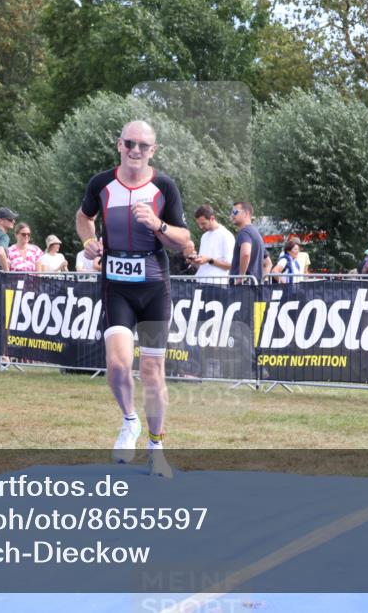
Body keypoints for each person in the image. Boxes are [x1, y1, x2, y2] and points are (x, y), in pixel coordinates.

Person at [76, 120, 190, 478]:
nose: (136, 150)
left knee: (154, 372)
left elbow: (184, 240)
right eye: (130, 143)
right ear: (119, 145)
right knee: (118, 364)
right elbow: (83, 218)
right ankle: (129, 420)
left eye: (143, 145)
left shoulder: (164, 186)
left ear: (153, 150)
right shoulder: (101, 183)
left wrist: (158, 225)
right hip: (116, 286)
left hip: (155, 287)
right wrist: (88, 241)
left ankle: (157, 446)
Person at [189, 204, 234, 284]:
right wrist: (195, 260)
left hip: (217, 284)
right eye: (199, 224)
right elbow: (203, 262)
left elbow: (230, 265)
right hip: (199, 281)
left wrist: (209, 260)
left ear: (212, 218)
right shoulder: (204, 236)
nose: (200, 227)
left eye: (203, 223)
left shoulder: (226, 235)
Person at [229, 201, 265, 285]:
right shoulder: (256, 233)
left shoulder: (244, 232)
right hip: (254, 286)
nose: (232, 215)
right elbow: (268, 262)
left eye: (235, 212)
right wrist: (262, 281)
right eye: (231, 212)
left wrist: (241, 277)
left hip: (242, 287)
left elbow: (246, 253)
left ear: (246, 214)